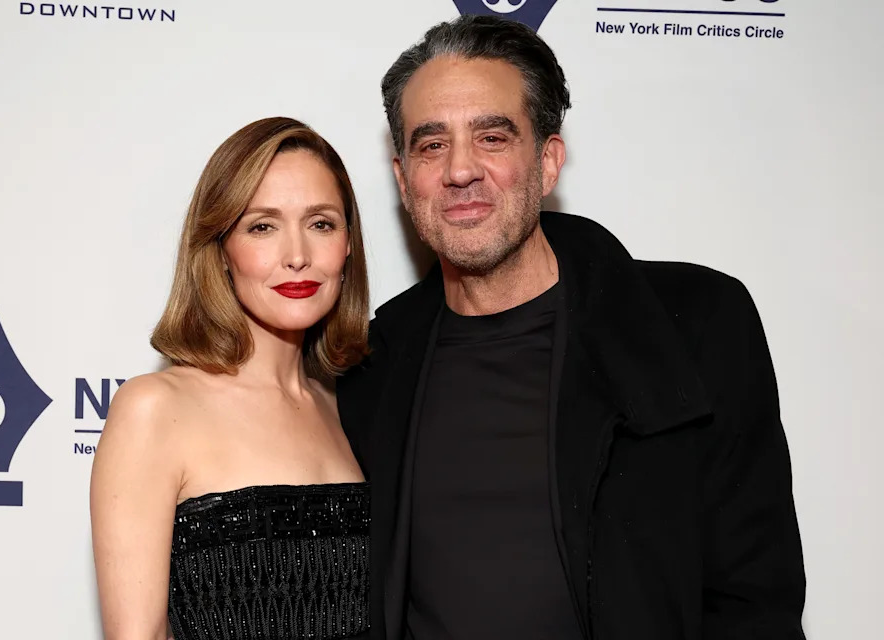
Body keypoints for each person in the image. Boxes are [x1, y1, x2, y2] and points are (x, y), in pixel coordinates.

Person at [337, 15, 806, 640]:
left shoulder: (693, 325)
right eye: (431, 144)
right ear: (403, 179)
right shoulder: (371, 365)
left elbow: (756, 605)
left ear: (549, 160)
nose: (460, 170)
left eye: (493, 138)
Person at [90, 117, 372, 640]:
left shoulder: (350, 407)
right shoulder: (155, 408)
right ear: (220, 248)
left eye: (321, 223)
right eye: (262, 226)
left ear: (348, 245)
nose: (297, 256)